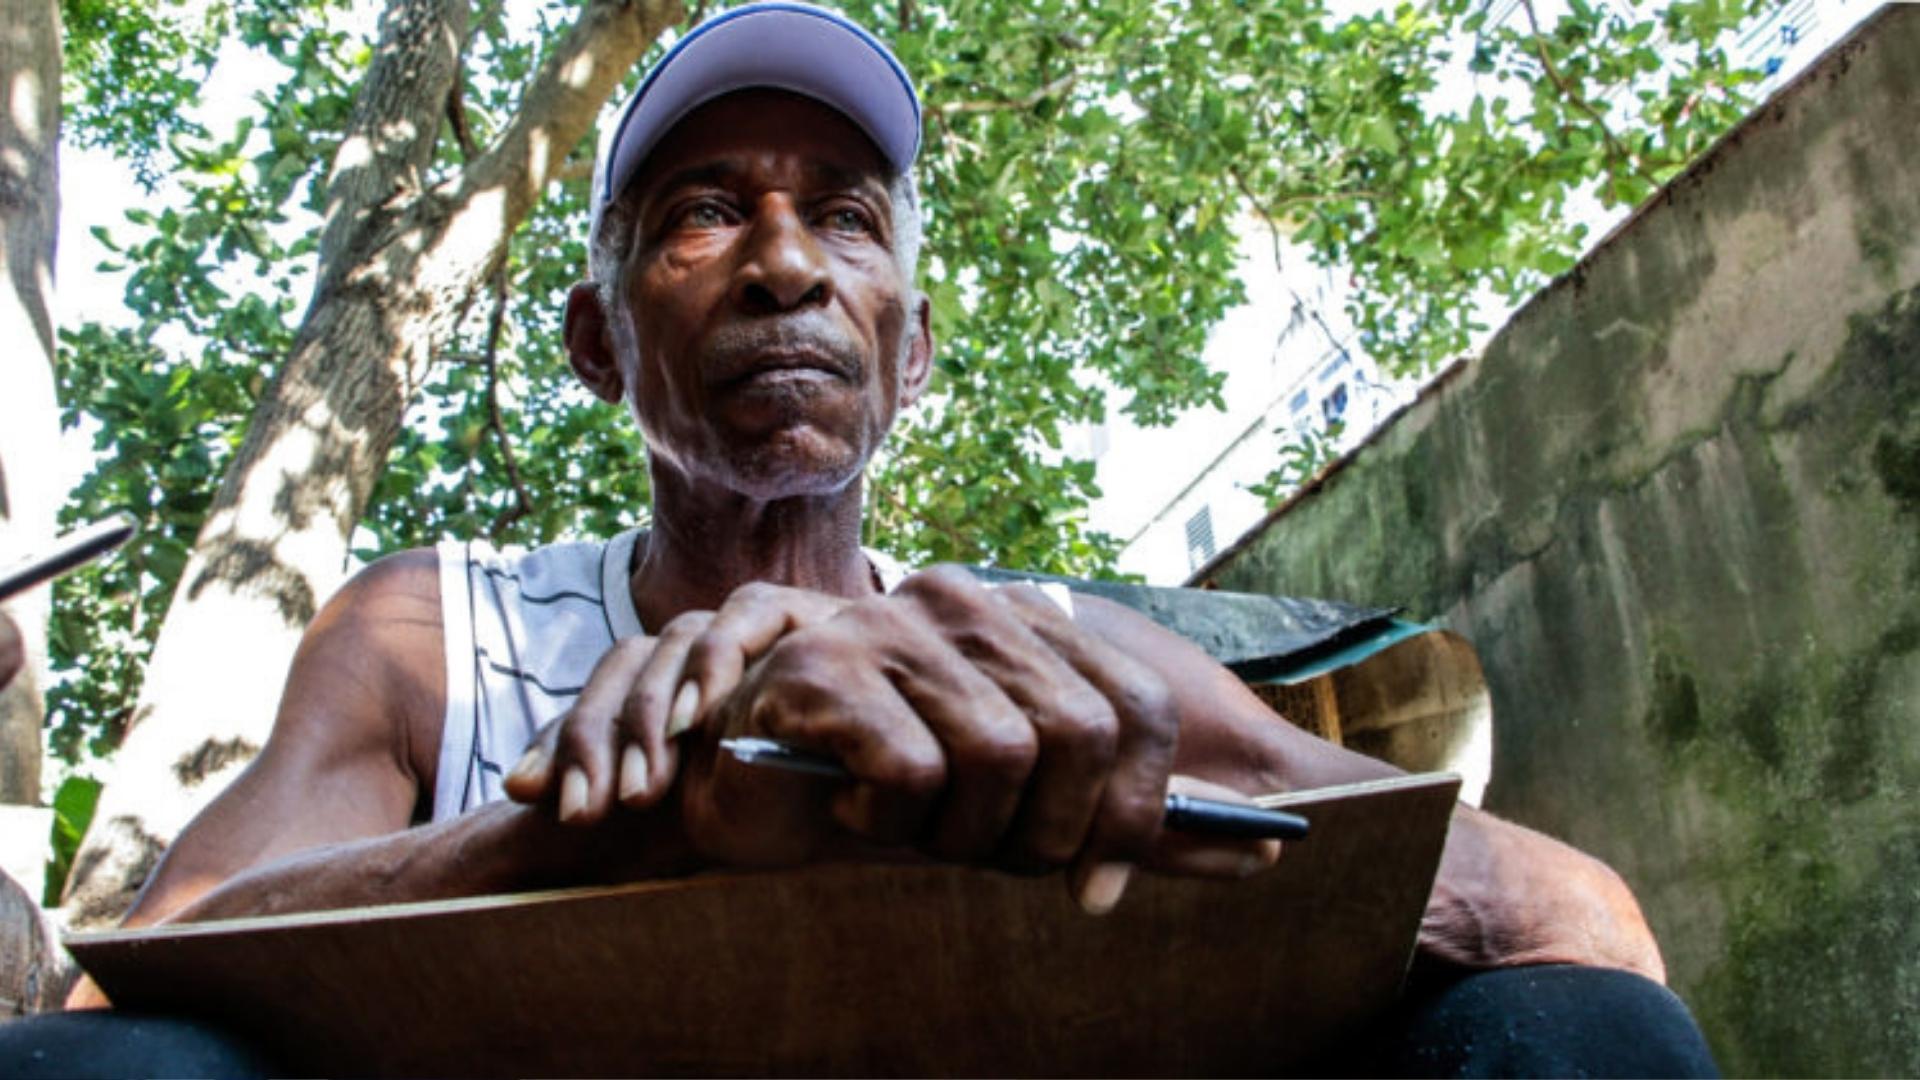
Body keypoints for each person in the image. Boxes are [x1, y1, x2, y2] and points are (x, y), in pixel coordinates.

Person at [25, 5, 1716, 1075]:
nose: (784, 265)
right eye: (703, 212)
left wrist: (1152, 758)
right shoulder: (428, 629)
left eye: (845, 219)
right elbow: (134, 994)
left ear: (907, 350)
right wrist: (613, 839)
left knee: (1576, 1040)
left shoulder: (1060, 656)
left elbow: (1588, 932)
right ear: (599, 340)